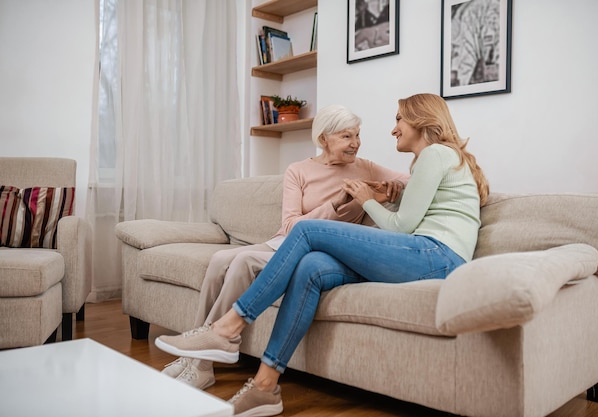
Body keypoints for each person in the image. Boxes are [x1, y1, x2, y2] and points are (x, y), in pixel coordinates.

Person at [156, 93, 490, 417]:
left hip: (435, 254)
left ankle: (227, 328)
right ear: (325, 139)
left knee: (306, 231)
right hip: (422, 254)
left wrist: (366, 197)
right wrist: (393, 192)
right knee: (311, 266)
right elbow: (413, 208)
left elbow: (402, 227)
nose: (393, 129)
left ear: (420, 121)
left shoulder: (436, 154)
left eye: (399, 119)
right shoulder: (430, 160)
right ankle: (265, 386)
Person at [157, 104, 409, 389]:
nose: (355, 144)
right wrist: (334, 204)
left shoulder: (366, 168)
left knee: (242, 262)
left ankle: (201, 365)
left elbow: (413, 181)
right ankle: (195, 349)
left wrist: (395, 190)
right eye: (346, 137)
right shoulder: (299, 170)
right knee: (218, 260)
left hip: (316, 250)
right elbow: (291, 227)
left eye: (357, 135)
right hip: (284, 242)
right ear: (324, 139)